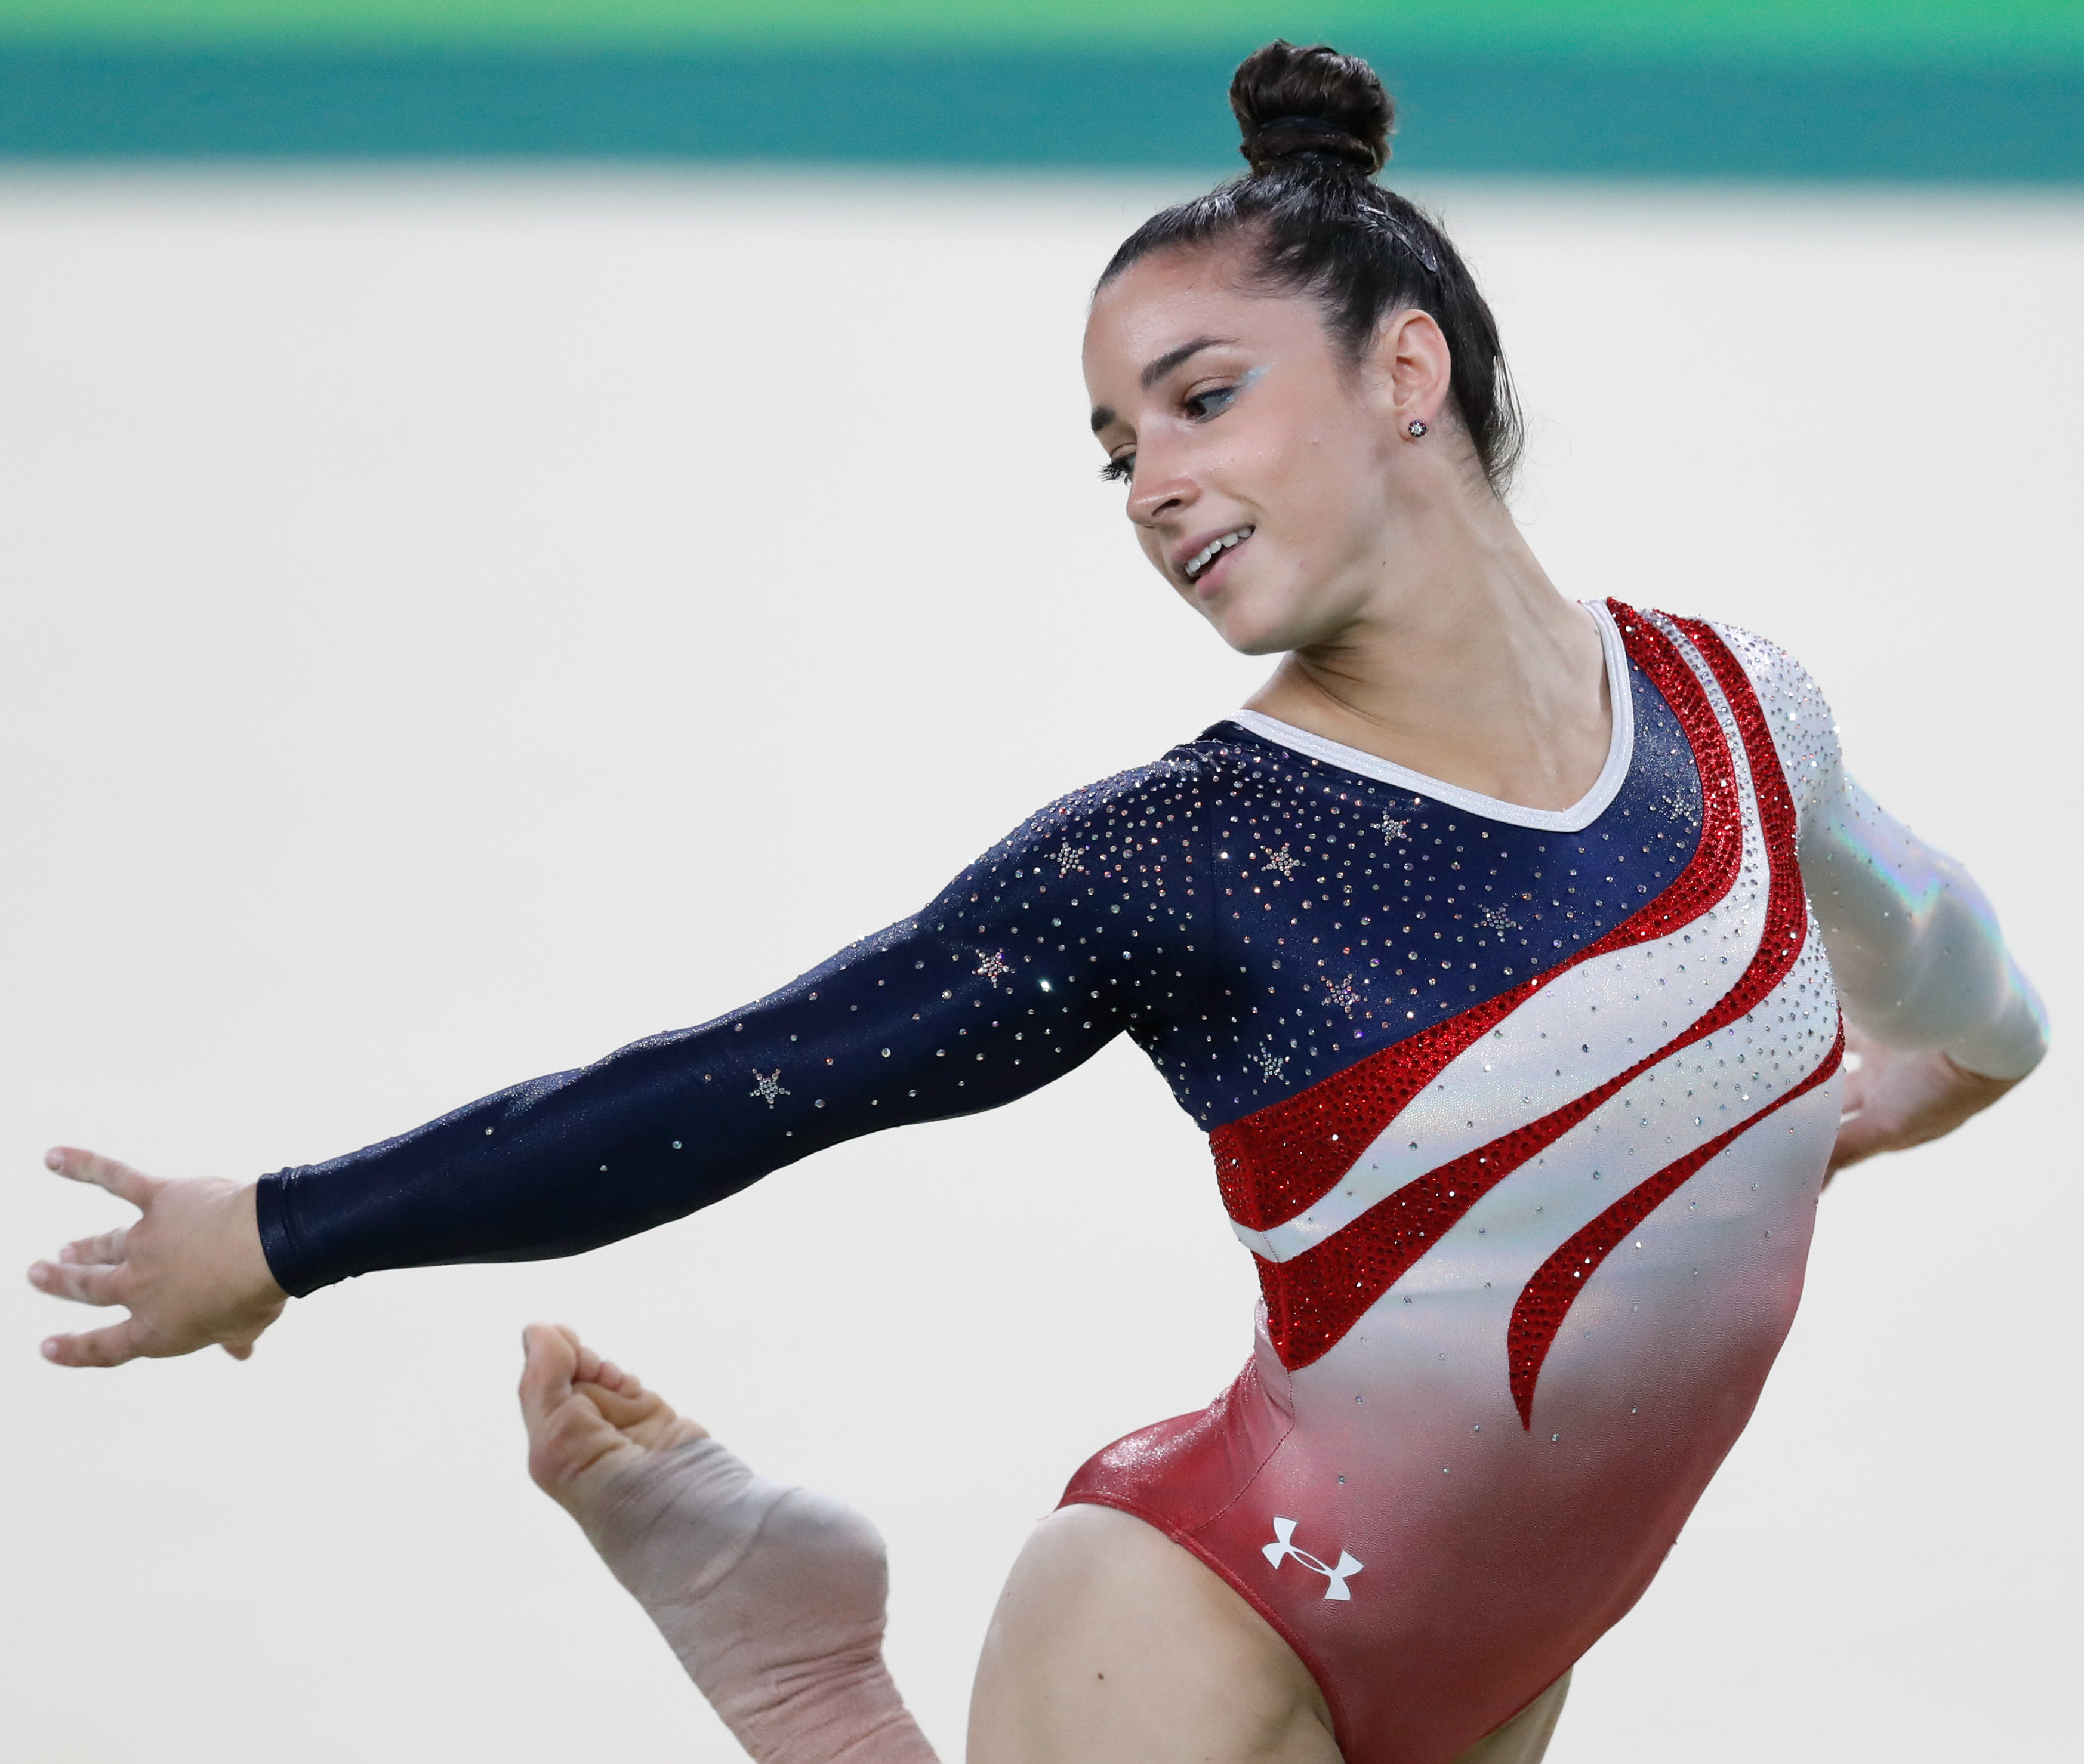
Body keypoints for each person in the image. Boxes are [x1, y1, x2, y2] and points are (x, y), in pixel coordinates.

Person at [27, 40, 2045, 1764]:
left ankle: (783, 1624)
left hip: (1503, 1658)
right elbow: (761, 1078)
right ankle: (805, 1665)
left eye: (1200, 397)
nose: (1152, 480)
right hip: (1206, 1602)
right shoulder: (1177, 858)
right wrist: (282, 1234)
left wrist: (1794, 1121)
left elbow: (1977, 1016)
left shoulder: (1732, 708)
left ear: (1403, 367)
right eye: (1113, 450)